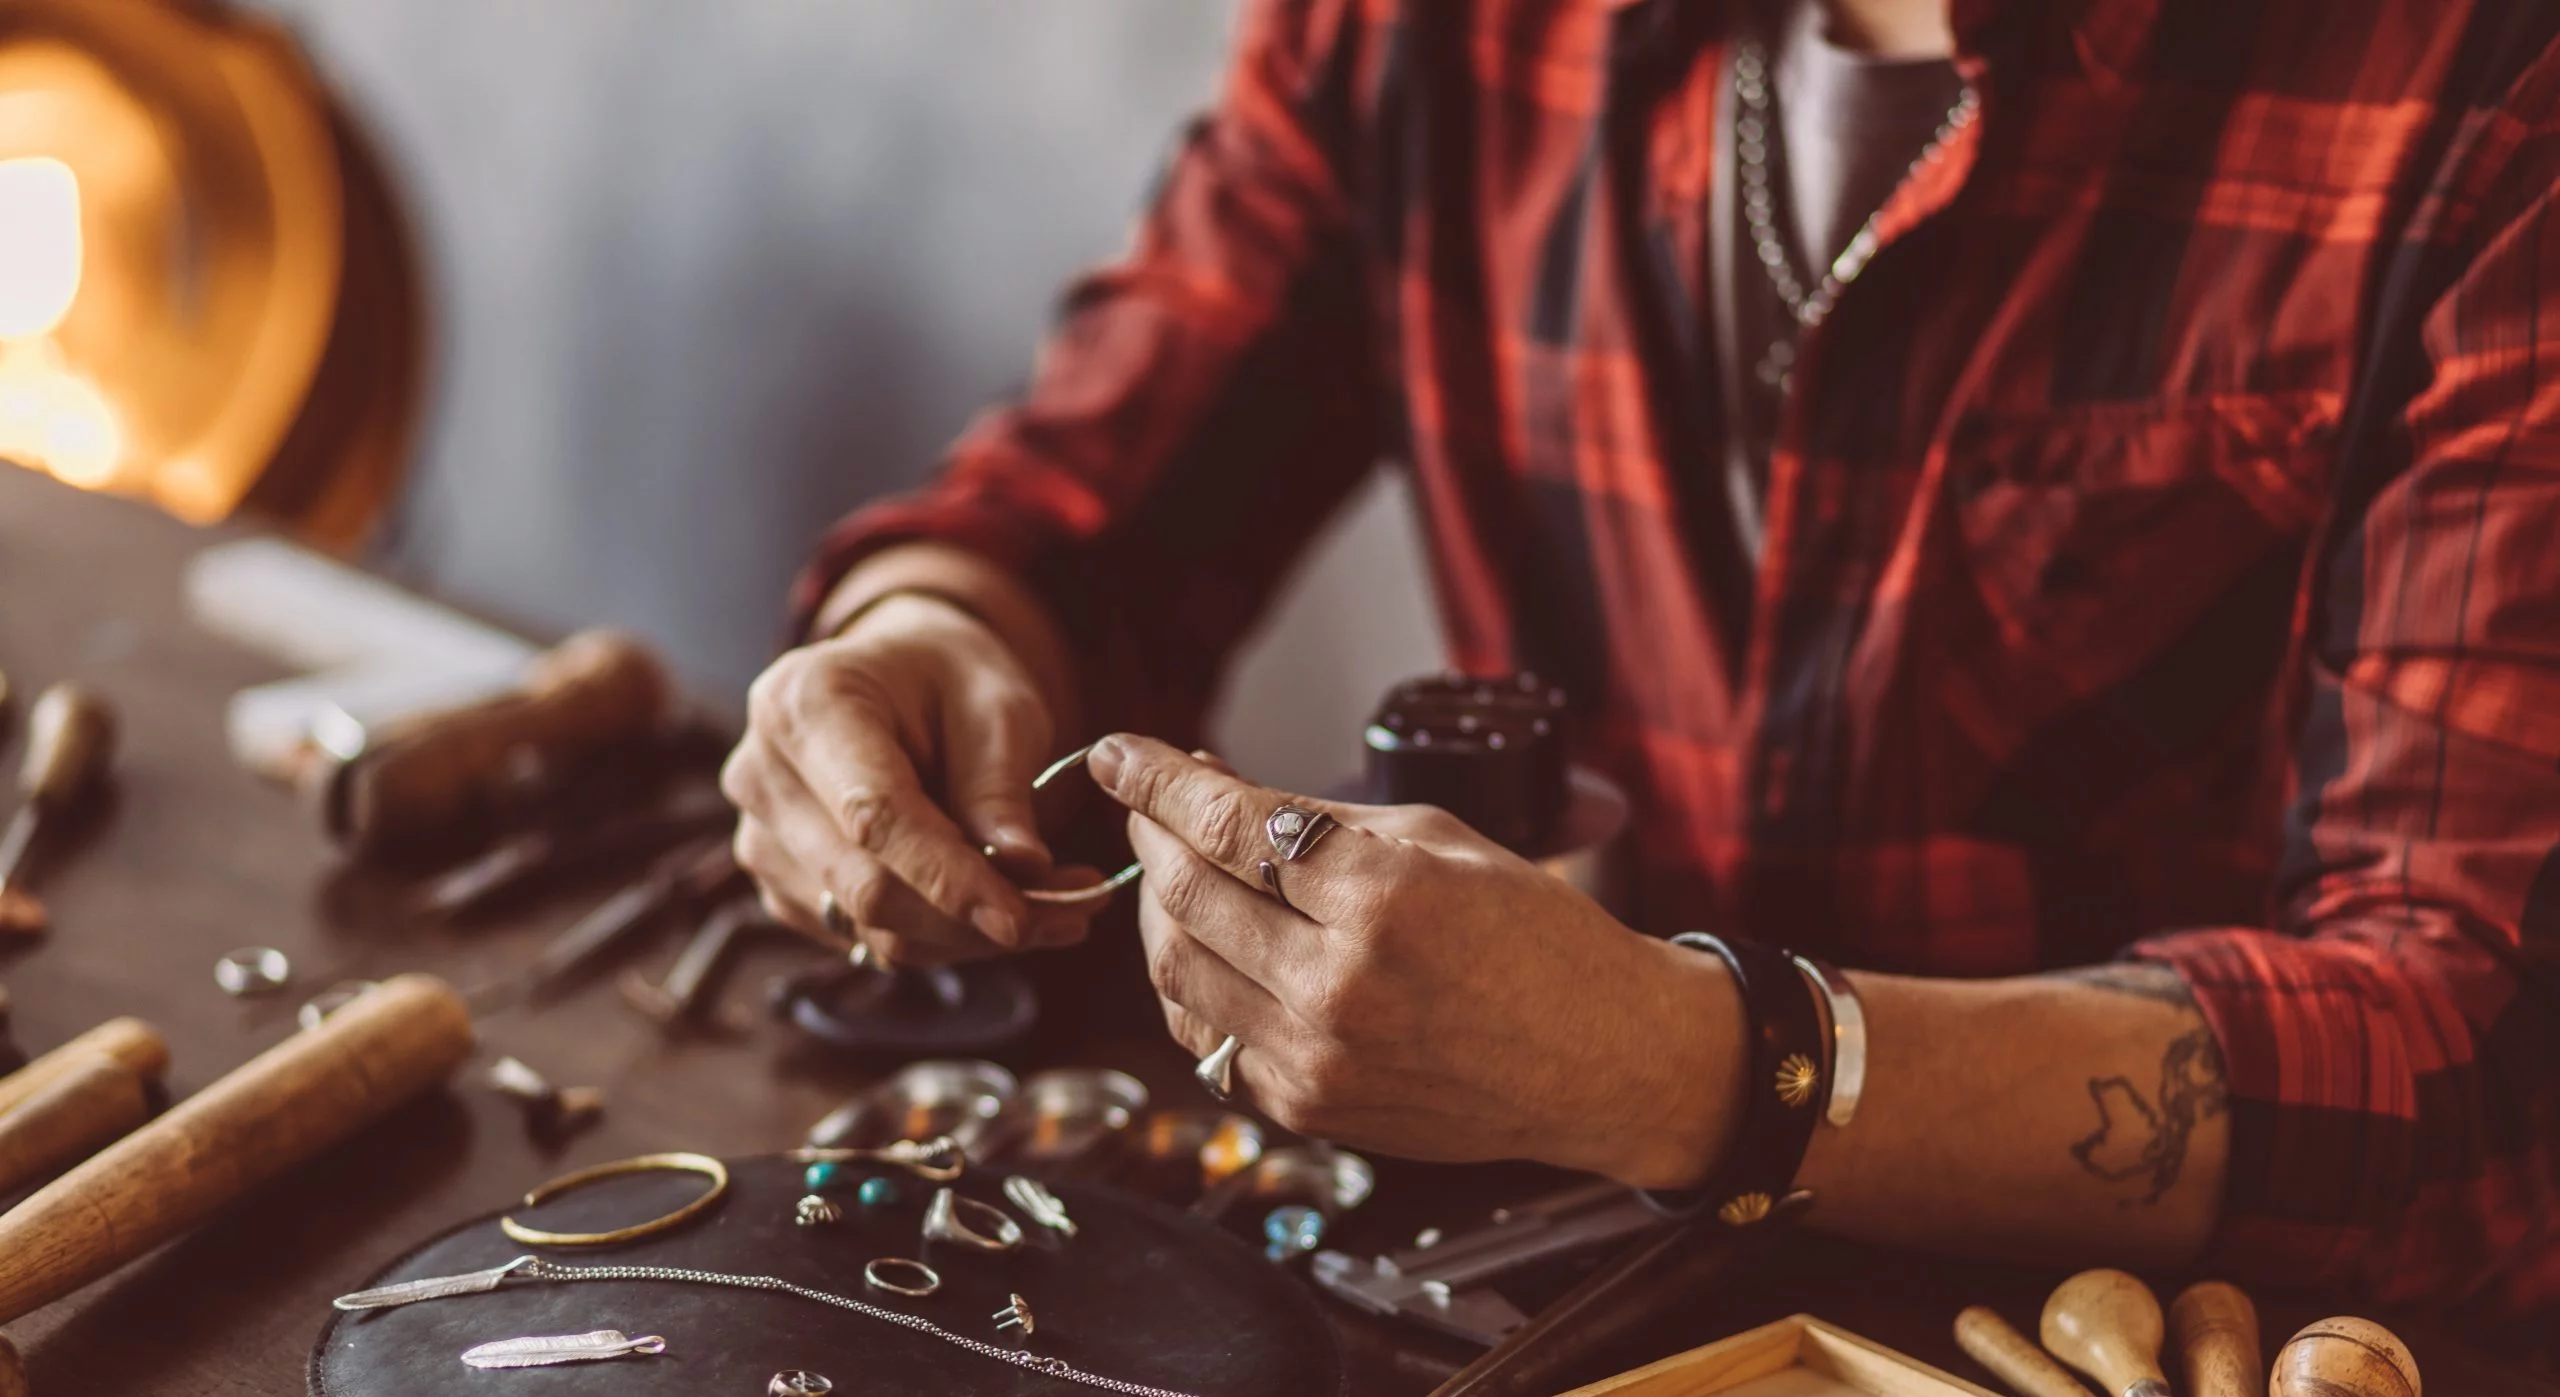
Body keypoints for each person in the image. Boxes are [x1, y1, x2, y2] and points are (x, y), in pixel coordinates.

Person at [721, 0, 2560, 1308]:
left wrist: (1680, 1063)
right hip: (1564, 1273)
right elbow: (1098, 494)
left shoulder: (2482, 86)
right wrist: (929, 626)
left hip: (2202, 1380)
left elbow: (2469, 1053)